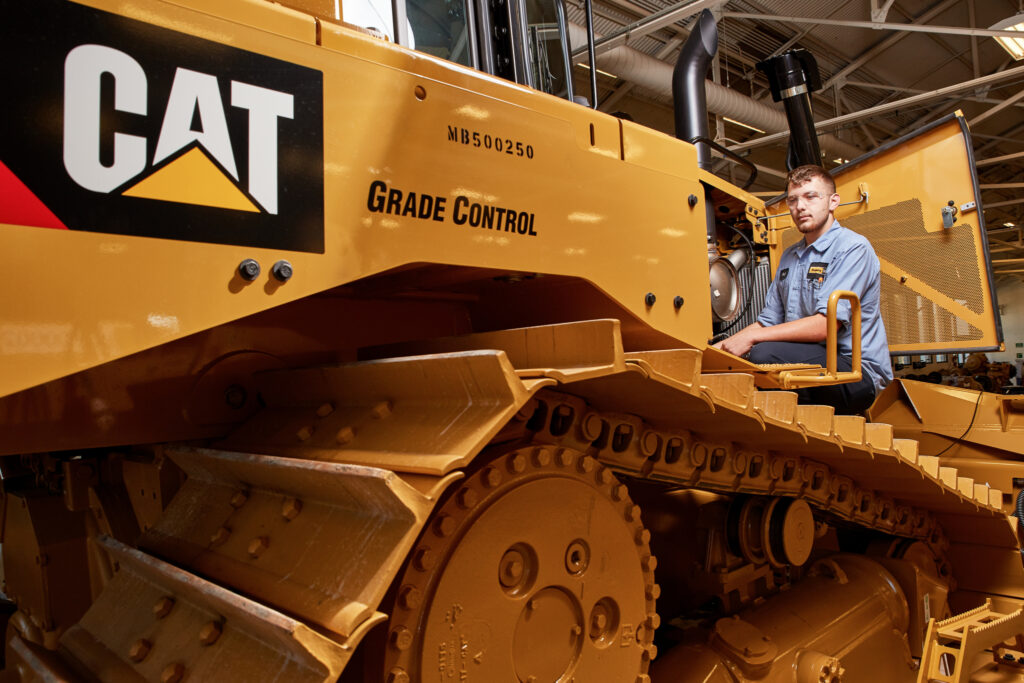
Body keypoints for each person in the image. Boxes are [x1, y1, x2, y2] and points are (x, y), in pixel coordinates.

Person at [713, 165, 892, 414]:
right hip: (811, 361)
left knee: (763, 354)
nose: (800, 207)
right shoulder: (790, 256)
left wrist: (751, 339)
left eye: (811, 196)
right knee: (730, 362)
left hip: (855, 373)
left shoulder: (853, 248)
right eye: (793, 200)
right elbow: (767, 322)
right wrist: (717, 352)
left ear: (833, 202)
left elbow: (825, 325)